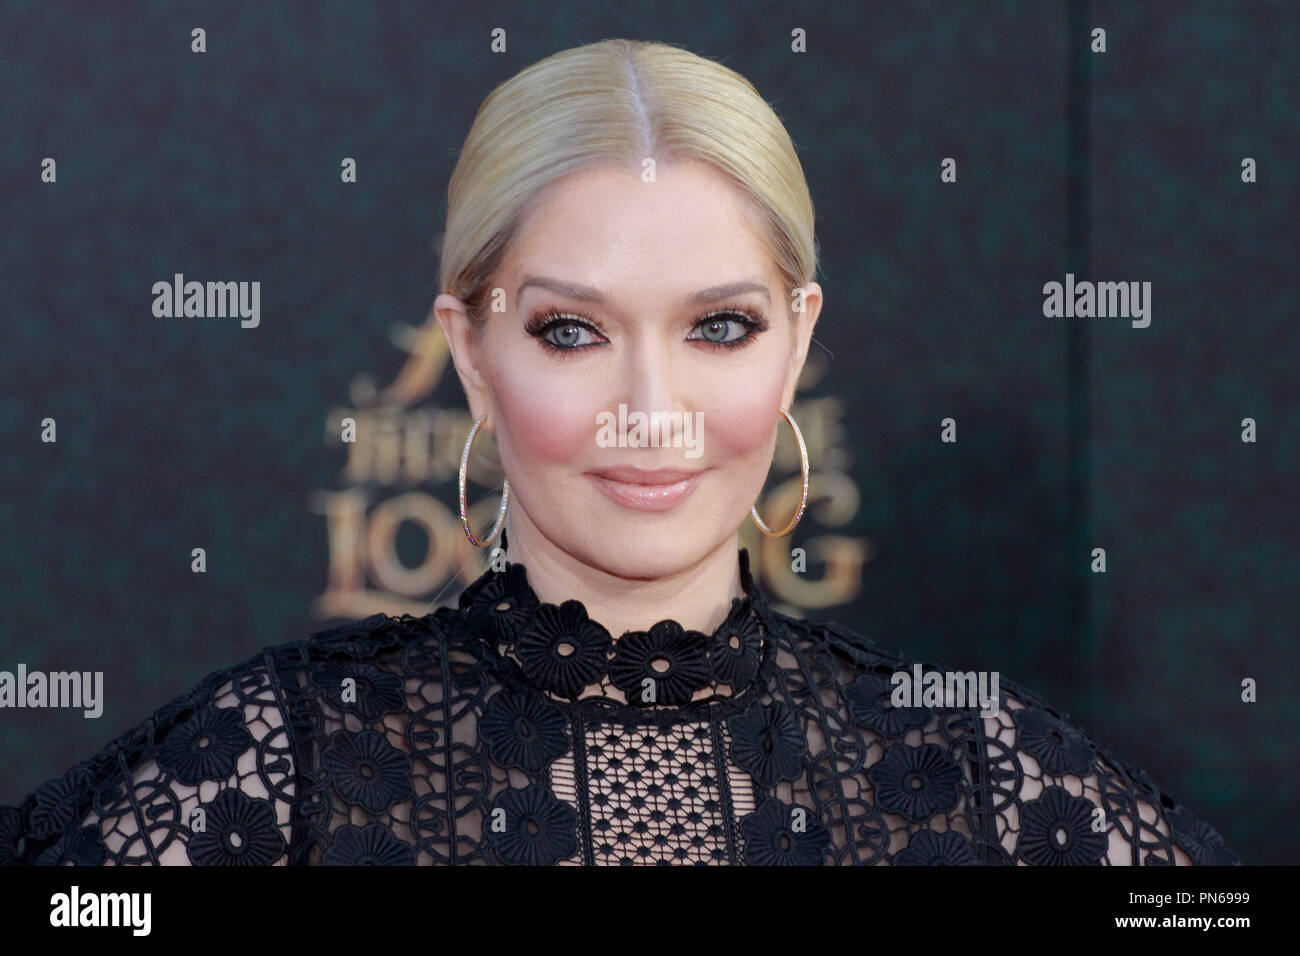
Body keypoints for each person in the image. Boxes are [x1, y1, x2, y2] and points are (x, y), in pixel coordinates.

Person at [0, 38, 1236, 867]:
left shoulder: (977, 773)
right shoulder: (284, 759)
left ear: (796, 341)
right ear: (474, 354)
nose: (652, 407)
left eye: (718, 326)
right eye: (572, 330)